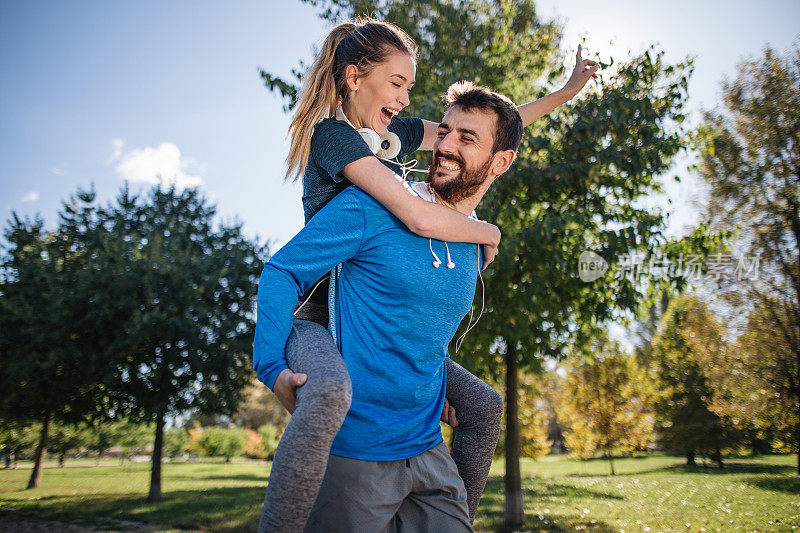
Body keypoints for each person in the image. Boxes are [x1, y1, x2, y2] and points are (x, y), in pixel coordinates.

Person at [255, 18, 599, 532]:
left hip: (377, 312)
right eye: (397, 84)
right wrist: (488, 234)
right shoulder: (335, 140)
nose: (406, 98)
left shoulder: (397, 136)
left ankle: (446, 504)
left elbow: (500, 127)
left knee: (482, 406)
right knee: (329, 395)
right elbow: (413, 215)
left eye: (410, 87)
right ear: (354, 78)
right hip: (317, 312)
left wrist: (567, 91)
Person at [255, 80, 525, 531]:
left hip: (428, 452)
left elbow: (423, 334)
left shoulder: (477, 245)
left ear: (502, 162)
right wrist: (269, 364)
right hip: (357, 453)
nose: (445, 145)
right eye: (445, 132)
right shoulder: (374, 205)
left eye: (466, 137)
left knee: (486, 405)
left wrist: (439, 392)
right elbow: (282, 272)